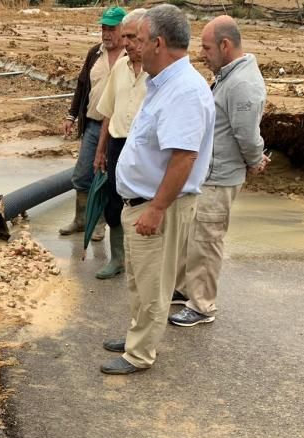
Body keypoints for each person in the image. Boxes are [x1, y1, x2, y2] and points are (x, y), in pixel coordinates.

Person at [100, 4, 215, 375]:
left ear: (159, 43)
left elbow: (183, 157)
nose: (131, 45)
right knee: (139, 278)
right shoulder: (163, 82)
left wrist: (157, 207)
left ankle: (140, 353)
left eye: (140, 39)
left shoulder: (183, 91)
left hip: (156, 204)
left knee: (153, 284)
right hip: (142, 200)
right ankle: (138, 335)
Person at [168, 15, 268, 327]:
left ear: (225, 45)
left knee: (206, 240)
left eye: (207, 47)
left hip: (220, 176)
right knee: (193, 237)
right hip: (209, 173)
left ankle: (202, 305)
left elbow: (247, 135)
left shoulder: (242, 84)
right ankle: (187, 289)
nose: (202, 54)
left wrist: (255, 160)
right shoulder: (229, 75)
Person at [59, 5, 127, 242]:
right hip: (93, 124)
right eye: (103, 28)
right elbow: (81, 85)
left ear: (123, 29)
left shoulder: (131, 57)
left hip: (118, 129)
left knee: (106, 177)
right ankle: (80, 219)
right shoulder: (94, 53)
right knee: (81, 176)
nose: (106, 34)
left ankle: (99, 223)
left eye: (111, 29)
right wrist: (71, 116)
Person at [92, 8, 149, 278]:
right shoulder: (119, 67)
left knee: (143, 203)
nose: (126, 42)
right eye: (124, 36)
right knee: (114, 202)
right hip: (117, 143)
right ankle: (117, 259)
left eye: (132, 36)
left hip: (144, 148)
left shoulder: (157, 72)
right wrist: (101, 150)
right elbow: (108, 111)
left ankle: (143, 259)